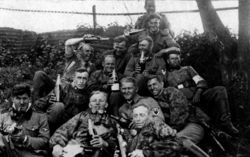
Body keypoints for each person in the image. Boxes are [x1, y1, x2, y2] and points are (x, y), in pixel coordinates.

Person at [161, 47, 239, 135]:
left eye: (177, 58)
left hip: (198, 96)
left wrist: (198, 93)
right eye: (172, 58)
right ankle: (215, 132)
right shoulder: (165, 75)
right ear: (168, 61)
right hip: (183, 103)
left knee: (220, 90)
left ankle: (226, 123)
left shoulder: (188, 69)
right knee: (202, 117)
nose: (175, 60)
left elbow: (200, 81)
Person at [50, 91, 117, 157]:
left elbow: (118, 144)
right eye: (94, 101)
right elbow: (62, 131)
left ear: (106, 104)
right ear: (90, 105)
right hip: (75, 150)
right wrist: (56, 145)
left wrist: (105, 143)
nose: (97, 103)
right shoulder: (82, 116)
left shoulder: (112, 122)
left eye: (101, 101)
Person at [147, 75, 208, 145]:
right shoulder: (153, 101)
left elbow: (180, 113)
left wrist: (171, 131)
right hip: (175, 130)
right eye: (149, 86)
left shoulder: (170, 91)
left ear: (162, 84)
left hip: (191, 124)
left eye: (154, 84)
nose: (152, 88)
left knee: (172, 143)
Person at [32, 36, 95, 101]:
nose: (89, 53)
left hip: (71, 92)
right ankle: (34, 102)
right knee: (39, 74)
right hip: (59, 86)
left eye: (91, 52)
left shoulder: (91, 66)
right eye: (87, 51)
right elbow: (68, 43)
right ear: (80, 51)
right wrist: (83, 38)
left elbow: (89, 83)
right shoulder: (72, 58)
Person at [0, 83, 50, 157]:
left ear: (29, 98)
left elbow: (45, 141)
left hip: (30, 153)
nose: (22, 102)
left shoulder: (40, 116)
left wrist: (25, 139)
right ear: (12, 99)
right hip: (9, 150)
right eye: (18, 98)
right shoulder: (4, 114)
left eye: (24, 98)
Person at [34, 68, 90, 132]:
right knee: (58, 106)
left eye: (84, 78)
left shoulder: (88, 94)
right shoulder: (63, 88)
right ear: (74, 78)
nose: (81, 81)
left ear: (87, 80)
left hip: (72, 125)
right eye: (79, 78)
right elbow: (45, 100)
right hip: (58, 120)